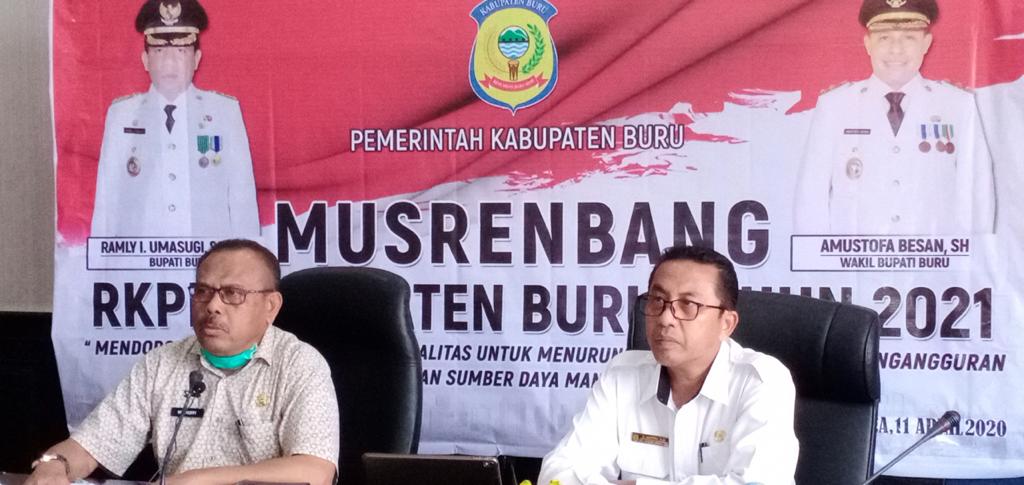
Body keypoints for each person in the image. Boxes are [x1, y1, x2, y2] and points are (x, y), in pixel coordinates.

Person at [26, 239, 338, 485]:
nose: (213, 306)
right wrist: (55, 465)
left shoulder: (299, 365)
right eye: (203, 291)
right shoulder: (163, 363)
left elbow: (315, 472)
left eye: (232, 293)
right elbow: (91, 445)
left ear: (271, 306)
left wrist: (197, 480)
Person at [538, 245, 798, 484]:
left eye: (688, 305)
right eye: (657, 300)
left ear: (726, 324)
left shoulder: (761, 381)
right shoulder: (622, 376)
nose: (665, 318)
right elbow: (557, 471)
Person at [793, 0, 995, 235]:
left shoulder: (957, 106)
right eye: (884, 38)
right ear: (868, 44)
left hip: (934, 256)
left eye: (909, 37)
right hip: (855, 256)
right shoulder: (835, 106)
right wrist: (817, 257)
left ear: (926, 43)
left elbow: (977, 195)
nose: (896, 49)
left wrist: (972, 256)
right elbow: (811, 197)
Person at [90, 0, 259, 237]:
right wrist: (100, 258)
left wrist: (247, 259)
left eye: (181, 51)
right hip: (141, 257)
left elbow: (242, 201)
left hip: (210, 256)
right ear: (145, 60)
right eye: (159, 51)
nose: (170, 62)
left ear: (196, 59)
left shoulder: (224, 113)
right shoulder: (122, 115)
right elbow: (107, 204)